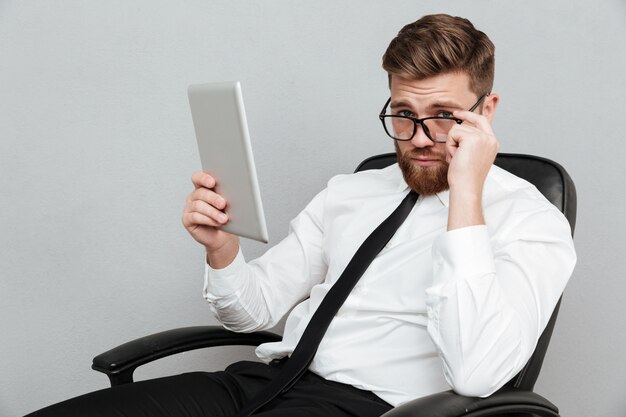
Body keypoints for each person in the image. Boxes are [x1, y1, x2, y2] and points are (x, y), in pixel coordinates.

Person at [26, 13, 576, 417]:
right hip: (262, 383)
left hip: (371, 408)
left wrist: (465, 198)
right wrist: (222, 249)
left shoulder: (532, 222)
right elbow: (254, 310)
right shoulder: (350, 191)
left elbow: (478, 373)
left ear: (487, 112)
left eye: (443, 117)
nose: (420, 139)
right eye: (403, 114)